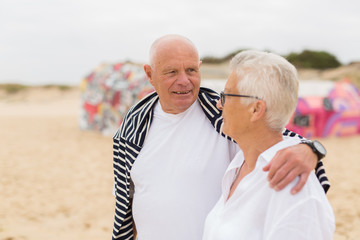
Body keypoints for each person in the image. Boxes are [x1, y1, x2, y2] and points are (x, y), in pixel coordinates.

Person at [111, 34, 330, 240]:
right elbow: (125, 201)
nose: (184, 81)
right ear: (150, 74)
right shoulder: (134, 123)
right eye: (171, 72)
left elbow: (273, 131)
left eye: (191, 70)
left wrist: (310, 149)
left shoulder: (222, 114)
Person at [202, 50, 335, 239]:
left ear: (255, 109)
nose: (218, 104)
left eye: (227, 96)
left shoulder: (293, 188)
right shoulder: (239, 163)